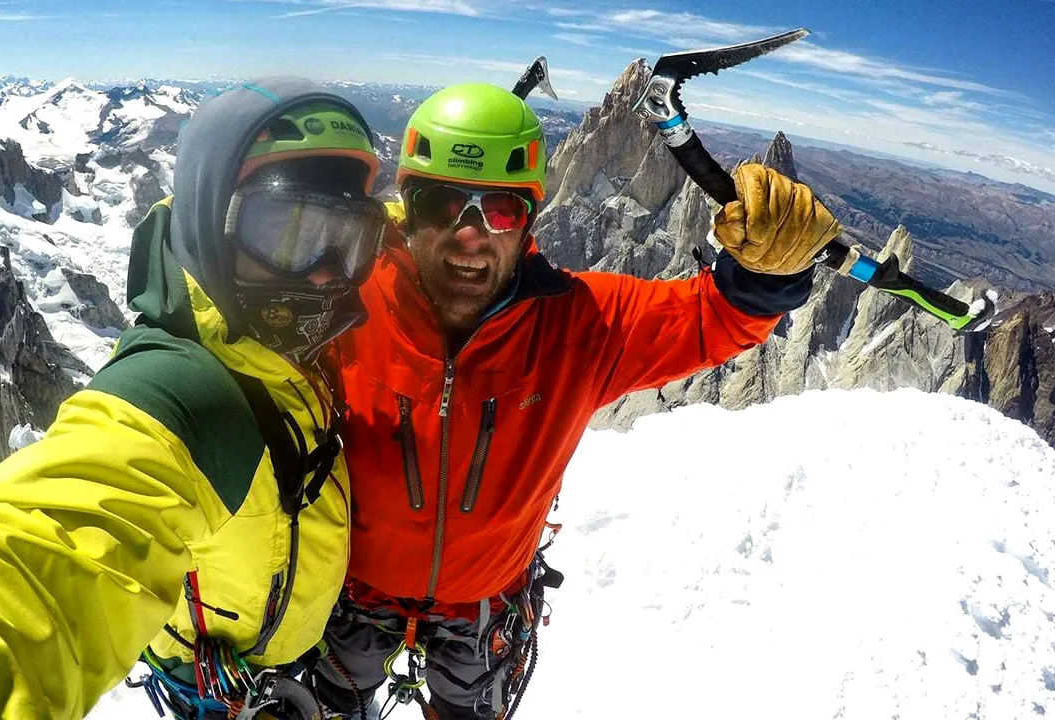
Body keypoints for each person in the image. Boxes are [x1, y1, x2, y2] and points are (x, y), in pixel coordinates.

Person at [0, 78, 389, 720]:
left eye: (350, 240)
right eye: (286, 232)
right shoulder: (183, 395)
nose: (325, 271)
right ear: (209, 224)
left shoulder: (289, 342)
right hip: (224, 690)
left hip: (296, 656)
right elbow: (38, 560)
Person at [309, 83, 838, 719]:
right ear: (407, 209)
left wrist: (768, 274)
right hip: (348, 591)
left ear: (529, 219)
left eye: (499, 212)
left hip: (482, 605)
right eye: (443, 204)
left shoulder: (581, 323)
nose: (469, 236)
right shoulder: (336, 300)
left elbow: (712, 318)